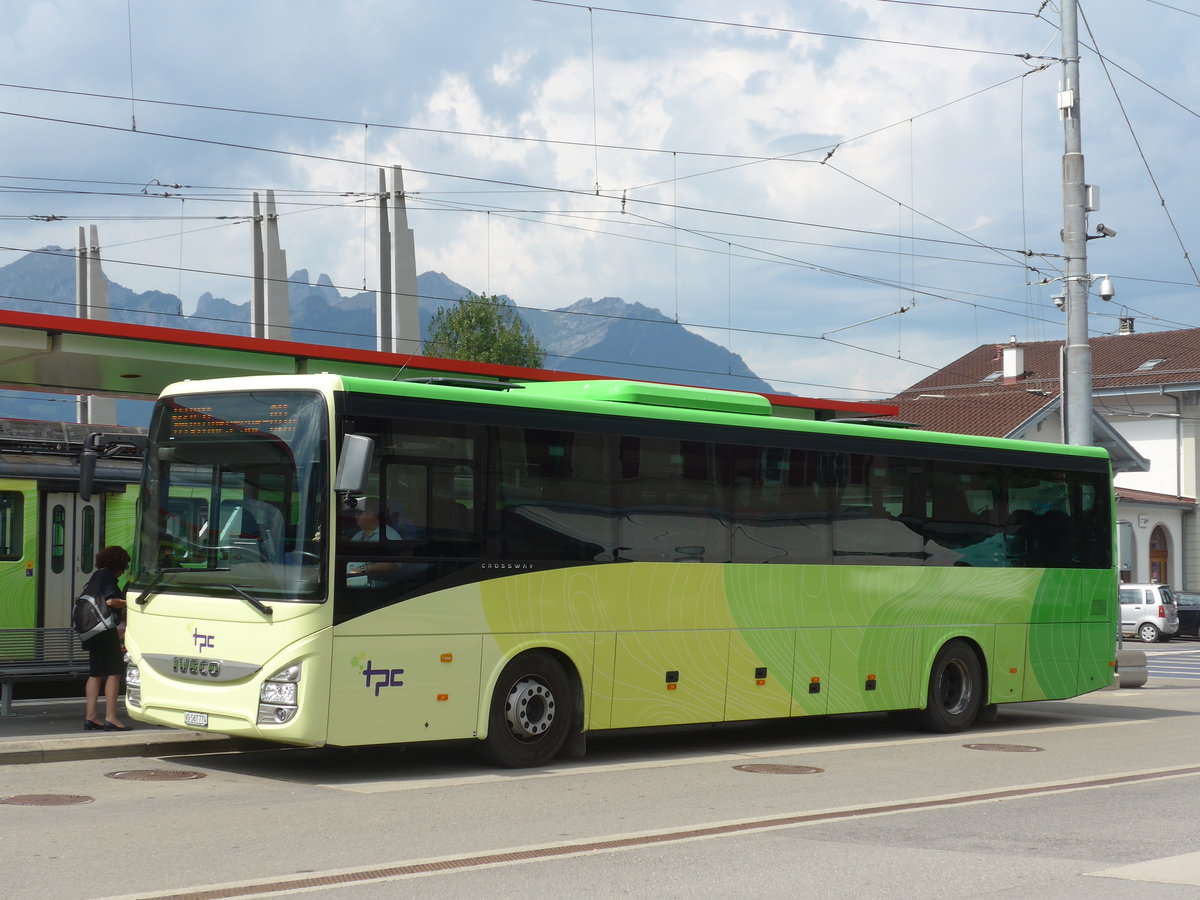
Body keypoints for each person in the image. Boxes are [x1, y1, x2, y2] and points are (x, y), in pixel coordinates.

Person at [82, 545, 131, 732]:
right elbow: (111, 601)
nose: (123, 571)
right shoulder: (108, 575)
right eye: (124, 566)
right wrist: (130, 603)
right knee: (114, 672)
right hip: (104, 631)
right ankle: (111, 717)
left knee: (95, 673)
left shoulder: (96, 575)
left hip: (92, 630)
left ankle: (91, 717)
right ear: (118, 564)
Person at [346, 498, 401, 587]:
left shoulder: (390, 536)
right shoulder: (358, 535)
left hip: (377, 587)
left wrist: (363, 569)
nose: (356, 516)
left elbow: (394, 565)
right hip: (352, 581)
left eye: (359, 513)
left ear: (371, 514)